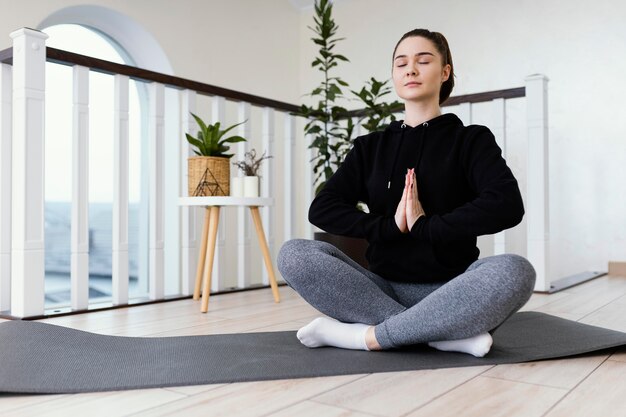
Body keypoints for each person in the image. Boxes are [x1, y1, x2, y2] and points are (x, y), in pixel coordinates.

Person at [277, 28, 536, 357]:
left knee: (516, 270)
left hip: (453, 290)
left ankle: (365, 337)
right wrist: (388, 227)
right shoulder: (370, 148)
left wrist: (426, 226)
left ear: (445, 73)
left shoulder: (471, 140)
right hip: (381, 290)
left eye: (423, 60)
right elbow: (323, 208)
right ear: (394, 76)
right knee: (295, 254)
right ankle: (439, 333)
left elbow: (507, 205)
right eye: (401, 63)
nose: (410, 69)